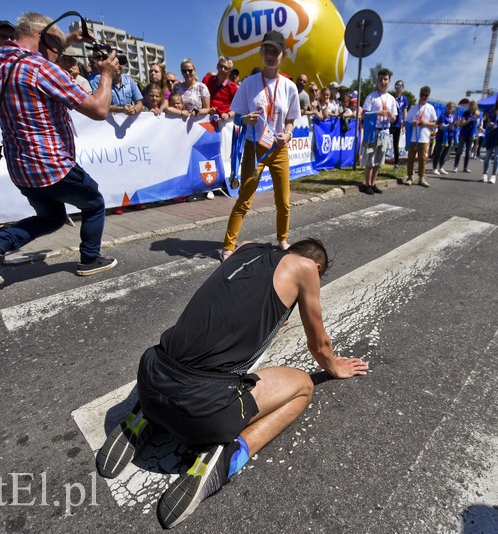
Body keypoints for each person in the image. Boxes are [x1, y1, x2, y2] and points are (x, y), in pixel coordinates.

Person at [96, 238, 369, 529]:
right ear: (316, 266)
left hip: (151, 377)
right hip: (204, 411)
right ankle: (226, 457)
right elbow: (319, 344)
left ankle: (145, 417)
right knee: (303, 387)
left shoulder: (248, 248)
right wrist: (335, 367)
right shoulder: (306, 269)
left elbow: (238, 299)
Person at [0, 12, 120, 284]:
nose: (58, 54)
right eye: (57, 47)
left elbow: (29, 48)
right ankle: (90, 260)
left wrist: (70, 38)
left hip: (20, 168)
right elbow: (98, 109)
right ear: (43, 37)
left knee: (51, 217)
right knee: (94, 203)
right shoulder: (43, 69)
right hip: (51, 164)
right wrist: (106, 74)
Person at [221, 30, 300, 260]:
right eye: (266, 49)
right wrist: (245, 119)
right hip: (254, 148)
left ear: (282, 55)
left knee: (284, 201)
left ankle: (283, 239)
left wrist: (287, 134)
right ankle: (228, 245)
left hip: (278, 149)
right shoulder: (249, 83)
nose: (270, 55)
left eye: (274, 51)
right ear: (261, 52)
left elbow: (291, 120)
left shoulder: (289, 87)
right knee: (245, 198)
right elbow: (236, 115)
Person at [360, 68, 397, 194]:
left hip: (384, 132)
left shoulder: (391, 99)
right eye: (381, 79)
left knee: (379, 160)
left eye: (385, 79)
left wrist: (392, 117)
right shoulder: (372, 96)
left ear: (389, 80)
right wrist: (378, 113)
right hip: (372, 132)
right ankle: (367, 184)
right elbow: (364, 114)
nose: (383, 82)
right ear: (377, 80)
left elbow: (394, 118)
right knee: (370, 157)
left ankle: (374, 183)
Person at [404, 86, 436, 187]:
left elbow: (434, 123)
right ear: (419, 95)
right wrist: (412, 123)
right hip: (413, 137)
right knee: (411, 158)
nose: (423, 97)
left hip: (424, 137)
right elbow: (406, 121)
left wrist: (425, 123)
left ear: (428, 96)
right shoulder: (413, 108)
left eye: (425, 95)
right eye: (422, 95)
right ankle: (409, 177)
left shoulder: (430, 108)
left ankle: (421, 178)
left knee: (422, 159)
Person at [202, 56, 238, 121]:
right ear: (217, 66)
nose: (222, 69)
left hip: (223, 121)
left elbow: (237, 108)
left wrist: (228, 115)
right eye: (221, 66)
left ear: (229, 71)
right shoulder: (206, 80)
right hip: (206, 118)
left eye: (226, 68)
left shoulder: (233, 87)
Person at [453, 100, 480, 173]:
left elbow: (478, 124)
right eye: (471, 105)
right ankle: (456, 166)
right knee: (460, 150)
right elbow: (462, 123)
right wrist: (470, 119)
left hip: (471, 134)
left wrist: (477, 118)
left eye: (474, 105)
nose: (472, 106)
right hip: (463, 133)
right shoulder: (466, 113)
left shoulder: (477, 114)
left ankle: (465, 167)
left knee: (468, 152)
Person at [432, 101, 456, 175]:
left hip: (450, 137)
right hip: (441, 137)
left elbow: (455, 127)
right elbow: (441, 127)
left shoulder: (453, 117)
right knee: (439, 153)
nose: (450, 109)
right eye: (449, 107)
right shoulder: (443, 116)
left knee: (445, 153)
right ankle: (435, 168)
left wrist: (456, 125)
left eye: (452, 108)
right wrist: (451, 124)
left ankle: (441, 167)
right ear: (446, 107)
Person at [390, 80, 408, 171]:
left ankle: (396, 164)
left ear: (403, 88)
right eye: (397, 85)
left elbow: (405, 111)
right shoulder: (391, 97)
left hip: (398, 124)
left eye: (400, 85)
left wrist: (404, 123)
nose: (398, 87)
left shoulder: (404, 99)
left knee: (395, 145)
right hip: (389, 123)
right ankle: (379, 164)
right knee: (384, 144)